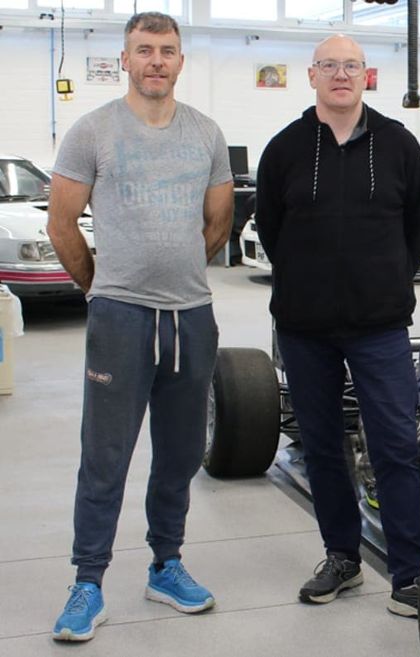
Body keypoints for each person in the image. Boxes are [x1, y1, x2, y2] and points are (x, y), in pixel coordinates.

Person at [45, 12, 234, 642]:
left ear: (182, 62)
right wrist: (101, 287)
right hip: (119, 318)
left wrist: (176, 273)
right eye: (144, 50)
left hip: (191, 317)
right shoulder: (92, 131)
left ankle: (166, 564)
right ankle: (88, 581)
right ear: (124, 59)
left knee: (179, 454)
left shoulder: (206, 134)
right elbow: (62, 224)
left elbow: (217, 224)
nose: (156, 60)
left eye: (168, 51)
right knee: (104, 457)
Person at [254, 34, 420, 617]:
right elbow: (273, 232)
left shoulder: (400, 145)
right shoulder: (284, 148)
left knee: (395, 445)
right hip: (305, 330)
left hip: (379, 327)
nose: (340, 75)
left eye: (350, 66)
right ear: (311, 76)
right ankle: (343, 558)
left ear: (366, 76)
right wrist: (310, 284)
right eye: (329, 65)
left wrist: (383, 284)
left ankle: (408, 573)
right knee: (323, 445)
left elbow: (417, 229)